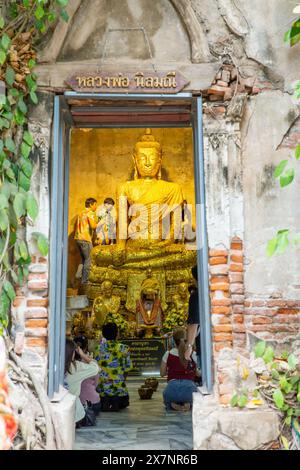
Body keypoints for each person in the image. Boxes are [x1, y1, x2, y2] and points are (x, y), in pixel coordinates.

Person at [94, 322, 132, 411]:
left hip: (102, 390)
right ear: (117, 334)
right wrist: (120, 379)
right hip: (120, 391)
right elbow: (127, 368)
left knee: (103, 398)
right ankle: (115, 402)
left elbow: (94, 369)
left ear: (103, 334)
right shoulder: (124, 348)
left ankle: (107, 401)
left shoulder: (98, 349)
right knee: (122, 401)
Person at [160, 328, 200, 411]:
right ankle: (188, 404)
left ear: (173, 340)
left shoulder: (168, 354)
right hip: (189, 389)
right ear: (187, 339)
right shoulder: (193, 354)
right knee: (197, 395)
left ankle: (173, 404)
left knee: (167, 398)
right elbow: (198, 374)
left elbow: (162, 373)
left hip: (171, 389)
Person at [64, 338, 99, 425]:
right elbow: (96, 368)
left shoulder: (49, 366)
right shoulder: (76, 367)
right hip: (74, 414)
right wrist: (83, 355)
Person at [73, 335, 101, 416]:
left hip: (75, 404)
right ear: (86, 348)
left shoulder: (69, 365)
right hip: (92, 403)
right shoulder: (91, 364)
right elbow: (96, 384)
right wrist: (86, 358)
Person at [74, 197, 98, 284]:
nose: (96, 207)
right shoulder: (90, 213)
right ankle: (85, 281)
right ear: (91, 204)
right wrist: (100, 222)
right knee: (89, 259)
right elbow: (93, 226)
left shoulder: (81, 213)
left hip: (78, 238)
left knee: (84, 259)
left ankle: (79, 274)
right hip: (85, 239)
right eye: (95, 204)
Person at [184, 265, 200, 361]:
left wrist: (189, 345)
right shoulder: (213, 292)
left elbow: (194, 322)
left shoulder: (196, 295)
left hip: (203, 342)